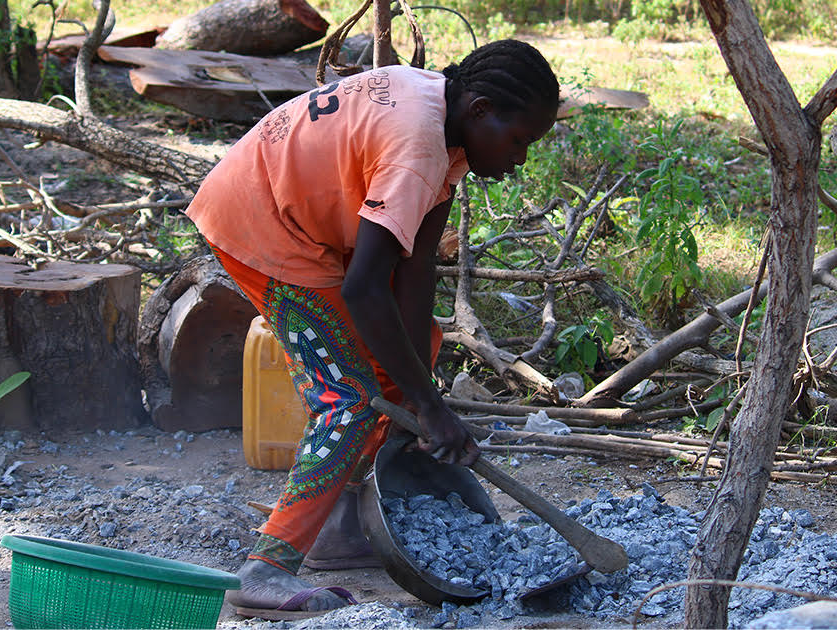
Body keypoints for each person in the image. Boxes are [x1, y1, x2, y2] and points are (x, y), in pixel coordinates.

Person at [184, 39, 559, 620]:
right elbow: (363, 288)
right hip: (264, 227)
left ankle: (339, 528)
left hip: (298, 220)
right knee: (347, 396)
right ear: (482, 109)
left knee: (418, 350)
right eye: (519, 141)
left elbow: (414, 276)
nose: (521, 159)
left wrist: (422, 394)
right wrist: (431, 410)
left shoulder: (443, 119)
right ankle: (267, 568)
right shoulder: (418, 150)